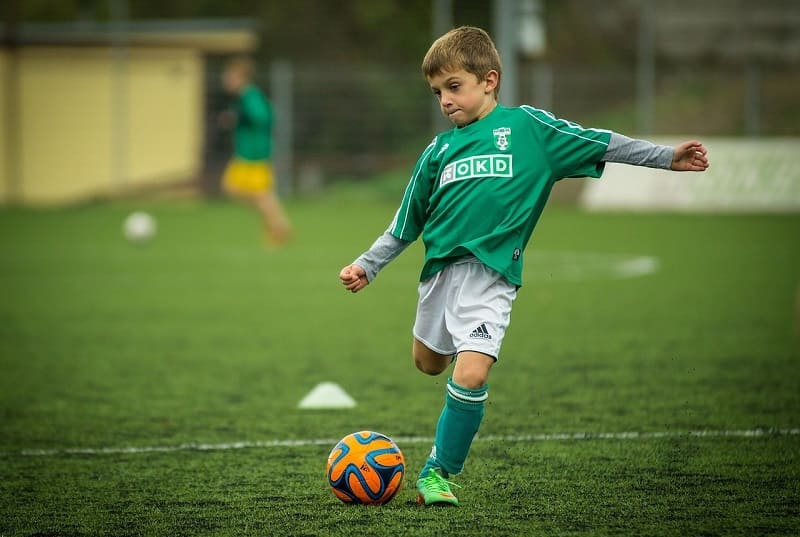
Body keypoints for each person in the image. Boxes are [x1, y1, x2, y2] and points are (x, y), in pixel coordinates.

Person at [339, 26, 709, 507]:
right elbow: (405, 222)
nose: (445, 100)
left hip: (492, 278)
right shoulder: (437, 152)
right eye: (437, 92)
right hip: (439, 278)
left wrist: (665, 157)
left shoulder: (529, 129)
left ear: (489, 80)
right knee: (428, 363)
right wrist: (368, 266)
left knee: (470, 375)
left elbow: (600, 142)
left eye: (454, 86)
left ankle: (438, 472)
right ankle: (457, 361)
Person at [220, 56, 292, 245]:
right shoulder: (244, 97)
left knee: (259, 194)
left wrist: (239, 117)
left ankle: (278, 226)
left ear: (241, 77)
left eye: (230, 75)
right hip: (247, 153)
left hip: (254, 154)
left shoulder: (249, 95)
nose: (226, 79)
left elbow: (263, 116)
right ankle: (277, 224)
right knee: (236, 189)